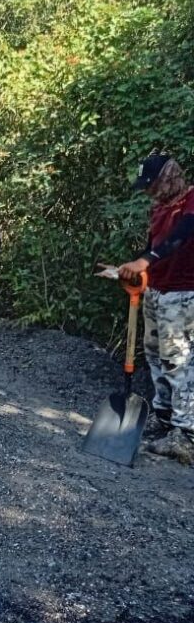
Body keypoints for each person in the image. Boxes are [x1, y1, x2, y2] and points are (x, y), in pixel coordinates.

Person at [117, 150, 194, 463]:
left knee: (179, 359)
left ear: (168, 178)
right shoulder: (160, 209)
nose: (148, 191)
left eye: (152, 184)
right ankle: (163, 417)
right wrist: (130, 266)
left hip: (184, 292)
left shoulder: (191, 202)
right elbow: (153, 247)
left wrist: (145, 260)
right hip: (156, 290)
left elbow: (180, 238)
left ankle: (186, 434)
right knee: (154, 354)